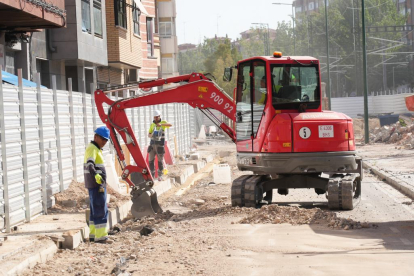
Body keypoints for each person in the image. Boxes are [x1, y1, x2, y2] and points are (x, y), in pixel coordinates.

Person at [84, 126, 113, 244]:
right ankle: (101, 237)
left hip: (95, 184)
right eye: (103, 139)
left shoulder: (95, 149)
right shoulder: (92, 149)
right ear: (95, 137)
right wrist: (96, 174)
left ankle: (93, 235)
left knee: (94, 210)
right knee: (101, 209)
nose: (104, 142)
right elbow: (90, 164)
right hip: (96, 184)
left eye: (106, 140)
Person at [148, 110, 172, 181]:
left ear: (159, 116)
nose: (156, 119)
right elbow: (149, 134)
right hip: (152, 145)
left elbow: (170, 125)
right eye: (155, 117)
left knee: (160, 161)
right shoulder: (152, 125)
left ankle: (160, 175)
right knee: (151, 161)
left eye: (157, 117)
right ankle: (152, 176)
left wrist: (161, 125)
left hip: (160, 146)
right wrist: (152, 135)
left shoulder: (163, 122)